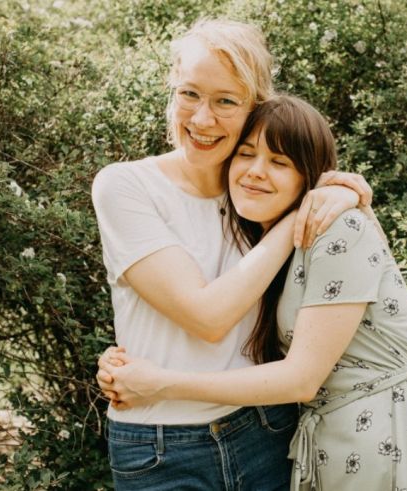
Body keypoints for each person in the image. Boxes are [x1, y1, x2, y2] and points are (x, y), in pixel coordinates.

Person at [98, 95, 407, 490]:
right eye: (246, 154)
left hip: (402, 439)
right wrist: (134, 355)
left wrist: (158, 382)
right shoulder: (268, 243)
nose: (256, 172)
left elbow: (301, 378)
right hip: (339, 445)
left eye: (279, 162)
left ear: (308, 175)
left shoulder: (339, 228)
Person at [91, 19, 371, 490]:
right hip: (158, 444)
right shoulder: (126, 186)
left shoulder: (257, 189)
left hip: (265, 429)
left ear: (255, 108)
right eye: (189, 94)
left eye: (225, 101)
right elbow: (207, 317)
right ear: (171, 91)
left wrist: (338, 193)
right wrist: (297, 215)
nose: (202, 120)